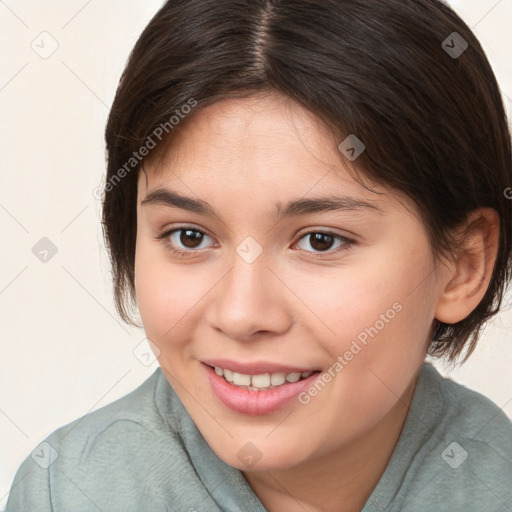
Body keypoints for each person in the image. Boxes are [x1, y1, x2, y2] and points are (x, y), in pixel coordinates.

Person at [6, 0, 512, 510]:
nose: (242, 314)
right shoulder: (67, 493)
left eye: (321, 240)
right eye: (189, 236)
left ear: (462, 266)